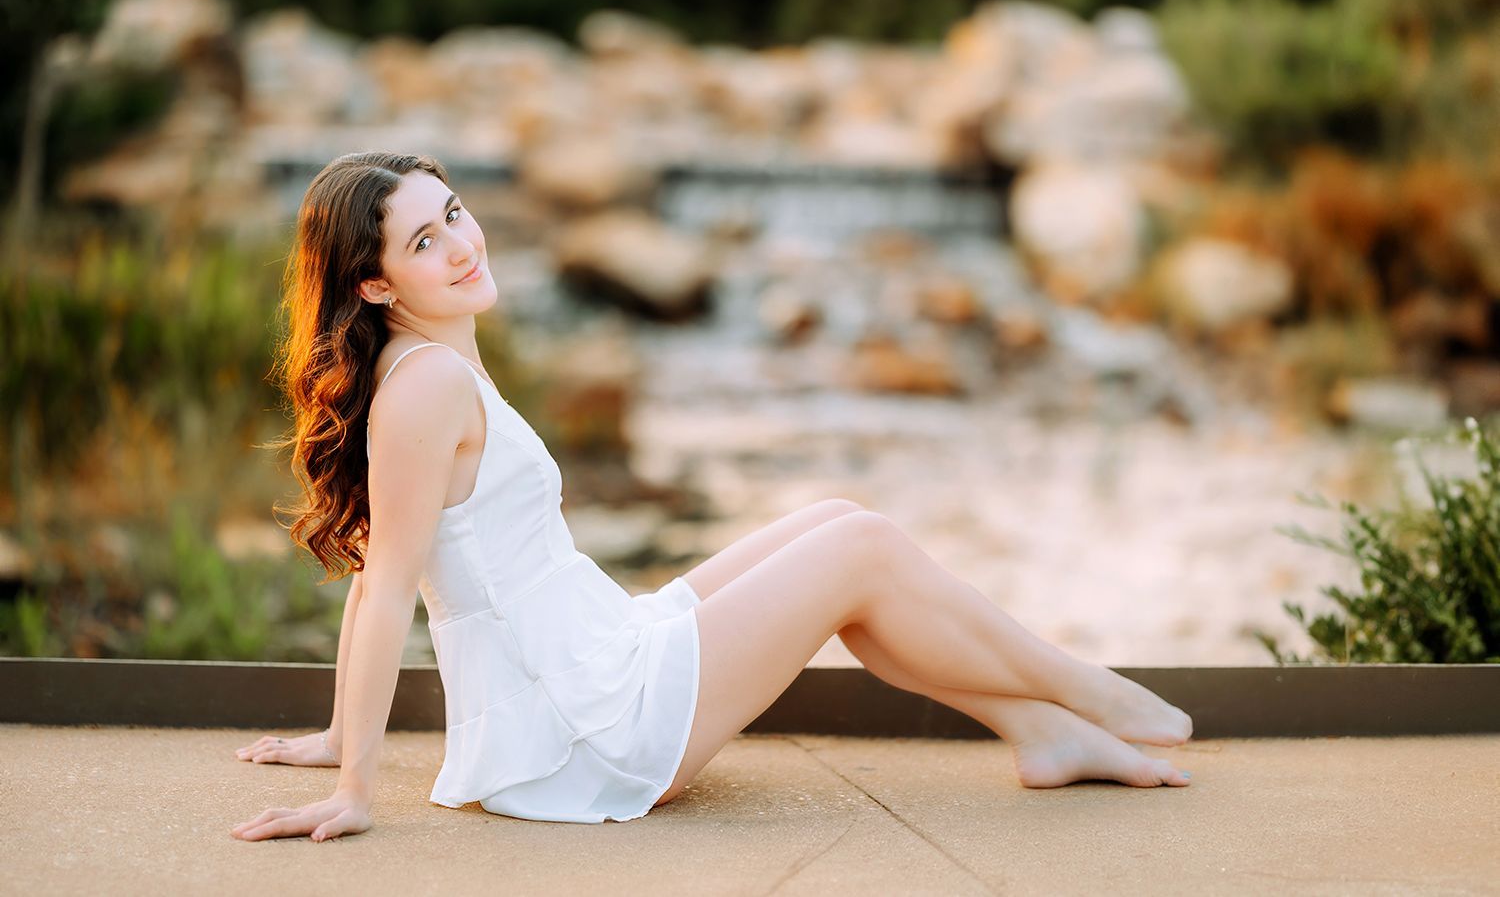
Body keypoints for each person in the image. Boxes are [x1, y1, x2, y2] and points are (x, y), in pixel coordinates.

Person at [230, 152, 1193, 843]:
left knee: (839, 526)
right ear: (372, 280)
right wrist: (355, 782)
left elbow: (372, 572)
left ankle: (1041, 730)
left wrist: (332, 736)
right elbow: (388, 582)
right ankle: (1082, 690)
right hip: (591, 729)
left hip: (599, 659)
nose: (461, 245)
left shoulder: (428, 364)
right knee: (860, 556)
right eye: (424, 240)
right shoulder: (427, 386)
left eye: (455, 214)